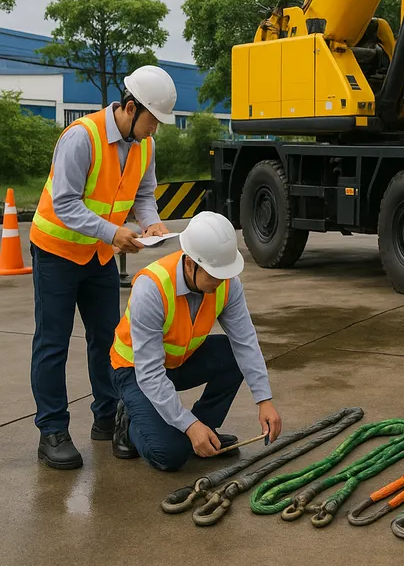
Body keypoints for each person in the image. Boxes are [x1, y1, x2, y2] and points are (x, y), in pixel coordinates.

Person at [29, 65, 177, 470]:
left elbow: (144, 195)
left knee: (106, 341)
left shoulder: (144, 144)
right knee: (53, 343)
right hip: (57, 252)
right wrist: (113, 232)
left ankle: (107, 417)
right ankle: (52, 431)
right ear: (131, 108)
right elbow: (65, 203)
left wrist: (151, 222)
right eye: (153, 121)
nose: (155, 131)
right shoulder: (82, 137)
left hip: (98, 256)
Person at [109, 211, 283, 471]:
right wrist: (187, 425)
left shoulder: (226, 284)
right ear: (190, 263)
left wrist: (264, 400)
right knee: (168, 456)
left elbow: (245, 341)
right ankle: (129, 421)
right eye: (214, 274)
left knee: (232, 353)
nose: (221, 281)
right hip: (135, 371)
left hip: (179, 363)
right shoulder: (151, 288)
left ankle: (205, 431)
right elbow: (150, 373)